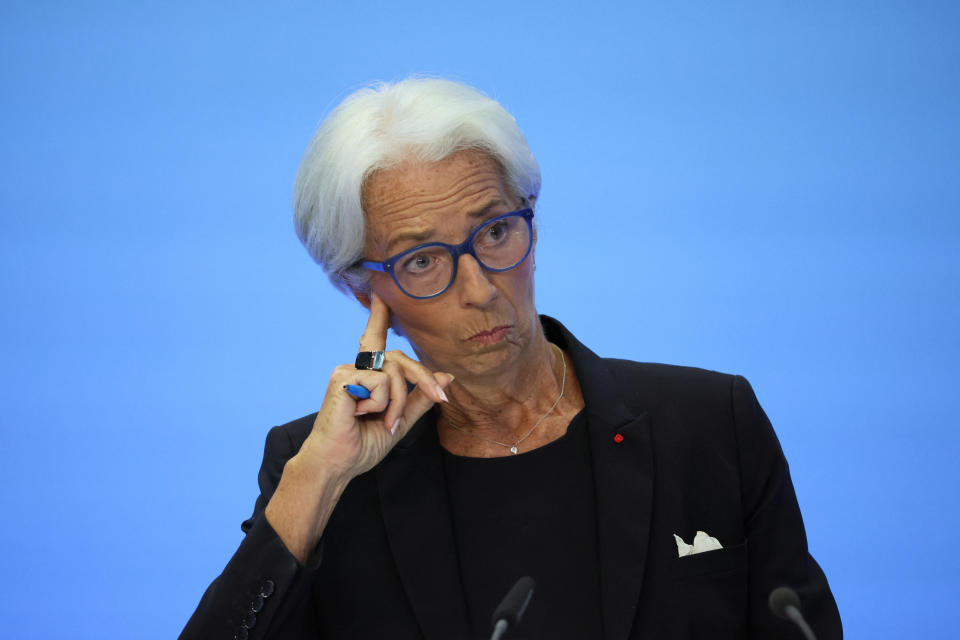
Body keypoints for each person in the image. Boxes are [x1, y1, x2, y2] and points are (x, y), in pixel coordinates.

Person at [180, 77, 841, 640]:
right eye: (422, 261)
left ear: (532, 216)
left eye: (495, 232)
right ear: (362, 289)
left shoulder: (708, 426)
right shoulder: (322, 476)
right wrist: (315, 482)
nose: (480, 288)